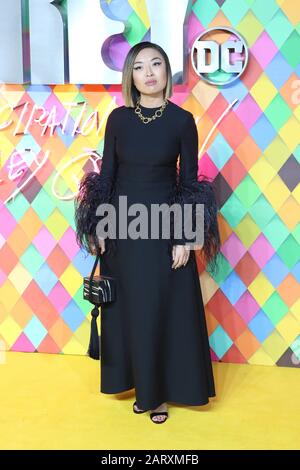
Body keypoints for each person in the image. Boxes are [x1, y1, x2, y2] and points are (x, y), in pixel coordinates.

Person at [74, 41, 221, 424]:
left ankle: (158, 396)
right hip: (122, 230)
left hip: (162, 229)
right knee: (130, 312)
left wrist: (187, 237)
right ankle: (139, 387)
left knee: (161, 310)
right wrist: (101, 227)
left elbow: (189, 182)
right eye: (140, 67)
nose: (149, 72)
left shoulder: (181, 121)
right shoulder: (118, 120)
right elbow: (106, 177)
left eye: (156, 64)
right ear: (131, 76)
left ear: (166, 72)